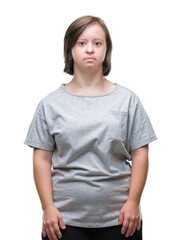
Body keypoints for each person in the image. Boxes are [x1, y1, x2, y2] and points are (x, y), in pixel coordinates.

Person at [24, 15, 157, 240]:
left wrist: (133, 202)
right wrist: (47, 208)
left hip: (121, 219)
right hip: (63, 221)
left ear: (107, 50)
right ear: (70, 49)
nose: (90, 49)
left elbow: (140, 153)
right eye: (81, 43)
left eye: (98, 43)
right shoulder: (50, 104)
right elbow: (42, 158)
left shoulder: (127, 100)